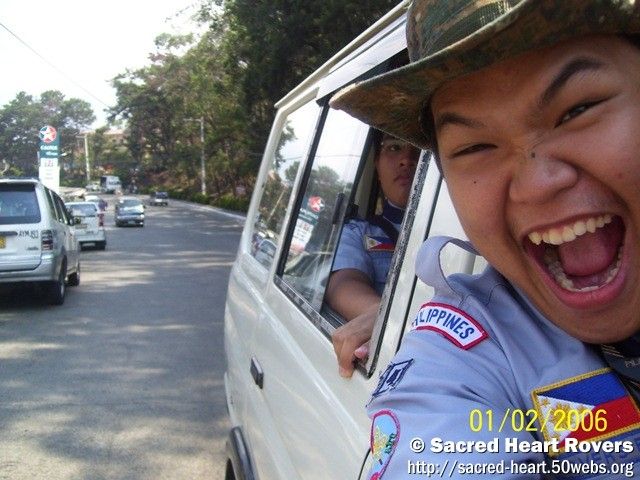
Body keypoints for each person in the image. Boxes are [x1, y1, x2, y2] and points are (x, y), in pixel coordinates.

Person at [330, 0, 640, 478]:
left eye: (578, 110)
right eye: (475, 147)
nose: (537, 184)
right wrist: (391, 316)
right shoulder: (461, 354)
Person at [326, 131, 419, 378]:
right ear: (377, 165)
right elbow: (342, 284)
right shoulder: (357, 232)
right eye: (394, 147)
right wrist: (383, 314)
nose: (406, 160)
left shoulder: (470, 235)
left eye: (419, 150)